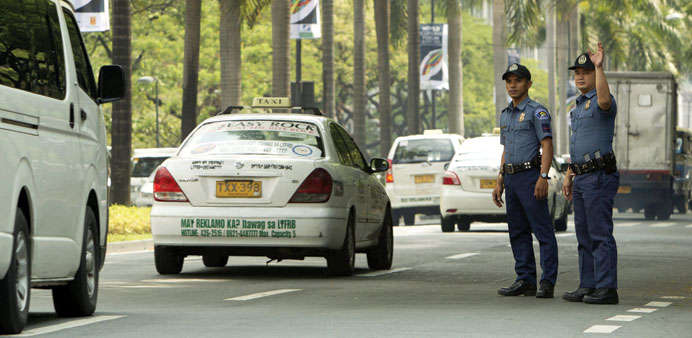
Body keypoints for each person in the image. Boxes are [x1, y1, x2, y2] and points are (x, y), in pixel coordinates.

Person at [492, 63, 559, 298]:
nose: (512, 85)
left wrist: (543, 176)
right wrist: (499, 179)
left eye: (518, 80)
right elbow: (505, 149)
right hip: (511, 177)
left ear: (528, 84)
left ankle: (547, 281)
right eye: (509, 81)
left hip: (531, 177)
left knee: (542, 230)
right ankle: (525, 279)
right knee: (517, 231)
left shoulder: (537, 112)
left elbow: (547, 144)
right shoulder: (505, 114)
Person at [561, 42, 620, 305]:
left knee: (599, 233)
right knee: (583, 235)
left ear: (595, 74)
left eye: (586, 71)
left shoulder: (602, 101)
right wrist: (569, 173)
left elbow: (605, 100)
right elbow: (578, 144)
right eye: (577, 73)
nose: (581, 76)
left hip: (599, 176)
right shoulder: (577, 107)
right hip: (582, 176)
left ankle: (607, 288)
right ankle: (588, 284)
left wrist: (600, 66)